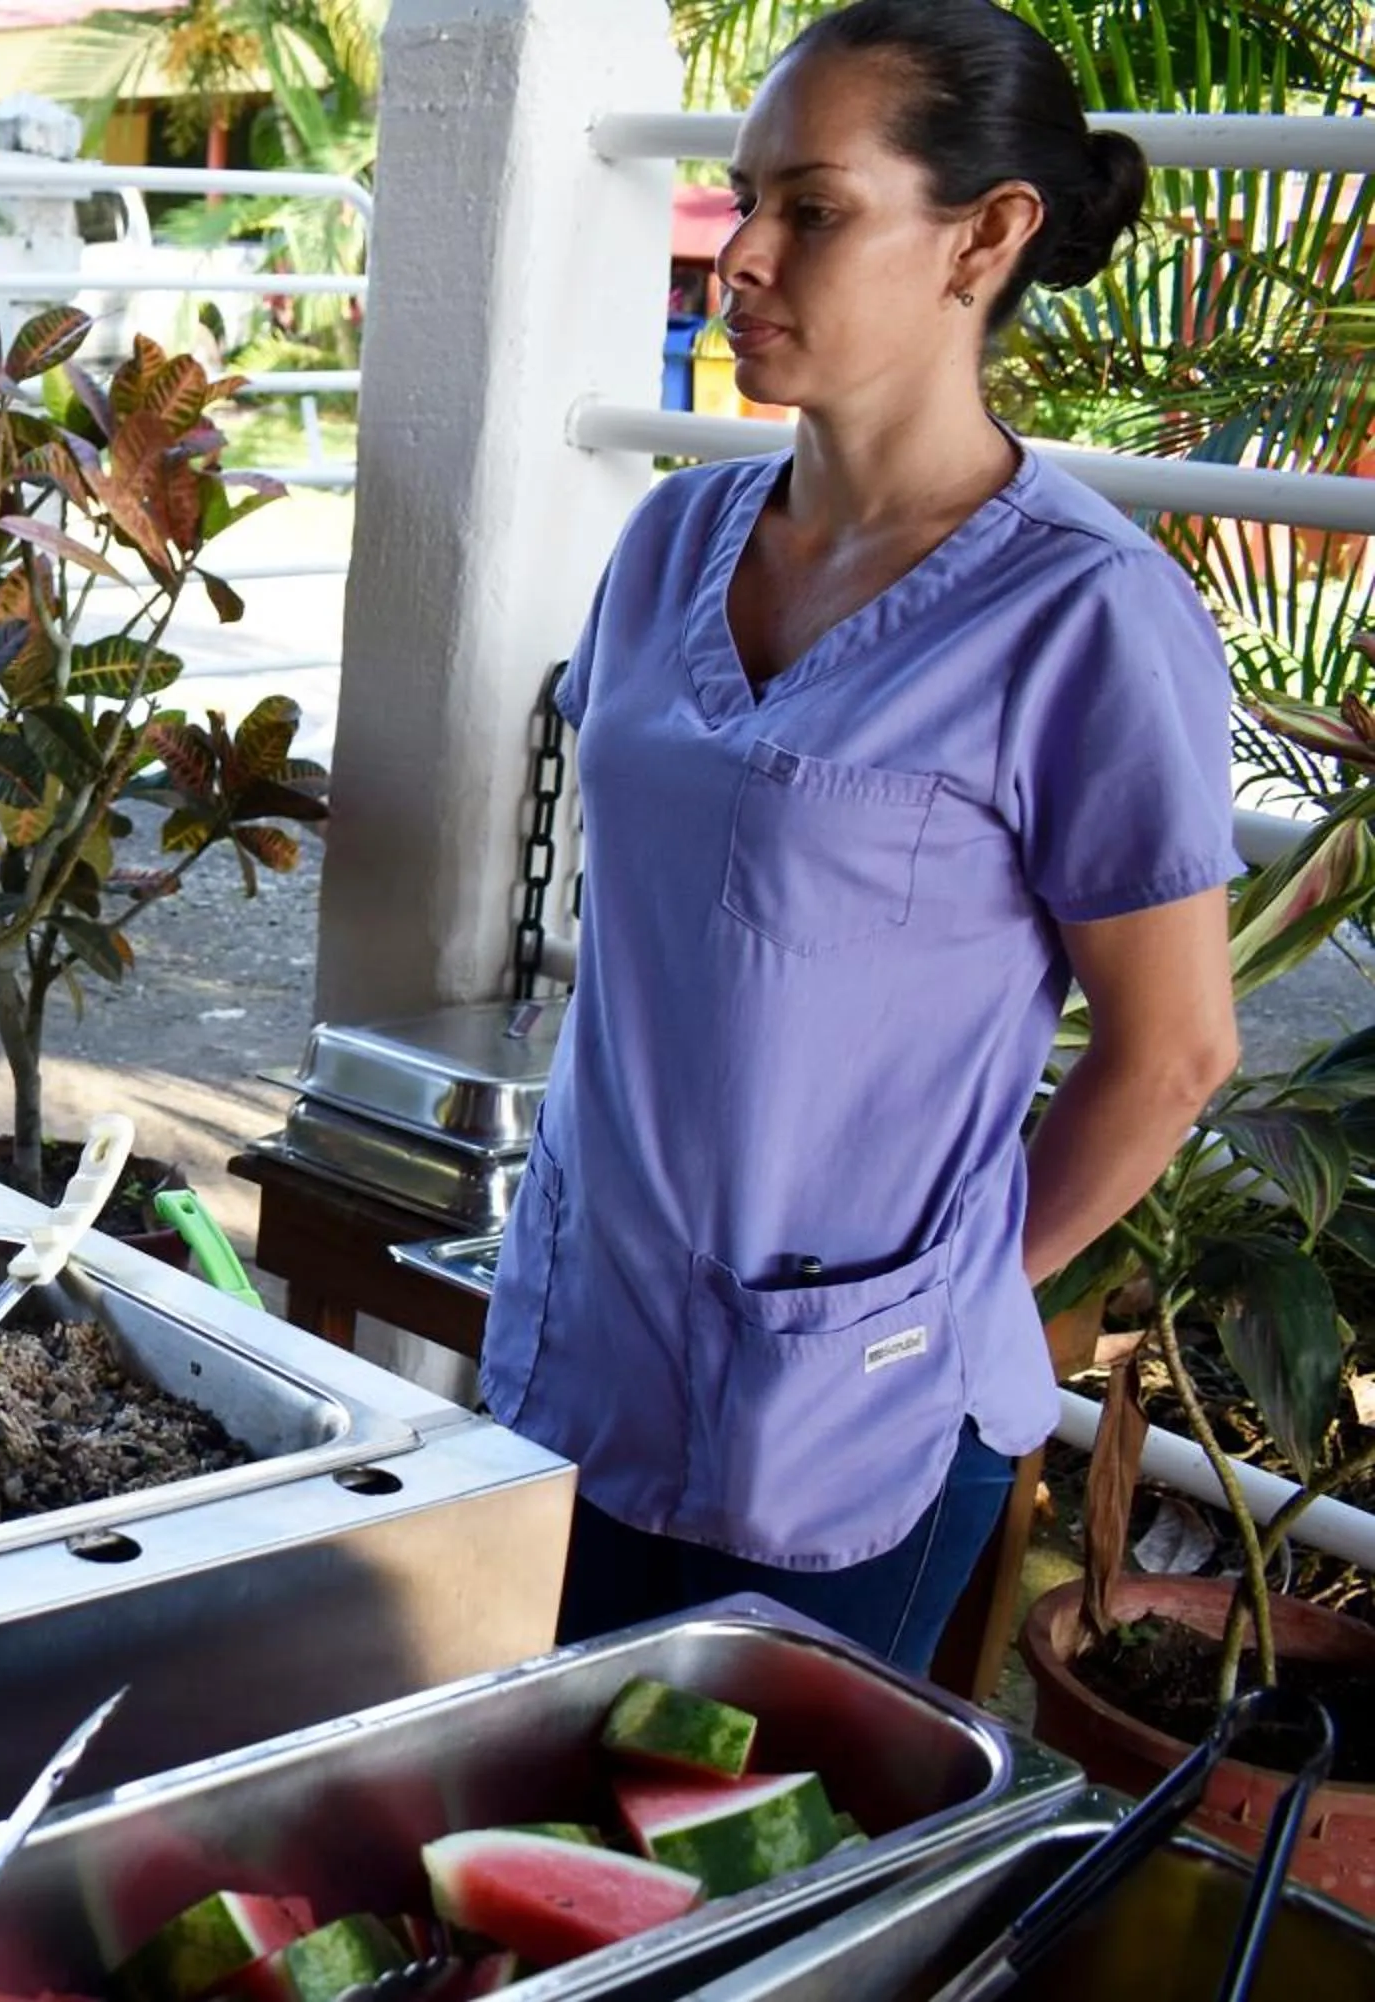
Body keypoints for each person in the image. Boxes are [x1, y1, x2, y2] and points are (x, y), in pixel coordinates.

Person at [480, 0, 1242, 1672]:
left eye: (810, 210)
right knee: (513, 1827)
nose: (738, 255)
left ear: (986, 236)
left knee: (748, 1898)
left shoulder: (1088, 616)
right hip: (586, 1337)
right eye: (746, 198)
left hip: (853, 1416)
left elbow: (1175, 1052)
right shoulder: (675, 537)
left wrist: (934, 1304)